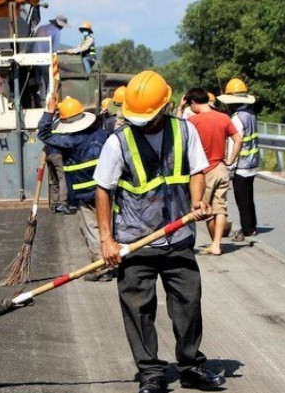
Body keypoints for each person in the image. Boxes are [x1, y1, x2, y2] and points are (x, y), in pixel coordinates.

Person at [93, 70, 225, 393]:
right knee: (138, 309)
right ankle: (151, 374)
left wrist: (196, 200)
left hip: (178, 239)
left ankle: (191, 366)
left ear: (164, 107)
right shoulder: (118, 142)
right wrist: (107, 240)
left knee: (189, 302)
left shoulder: (184, 132)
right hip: (136, 242)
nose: (141, 123)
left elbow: (197, 170)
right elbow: (103, 189)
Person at [38, 96, 114, 280]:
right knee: (109, 226)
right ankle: (113, 262)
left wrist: (49, 111)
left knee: (92, 229)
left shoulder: (69, 141)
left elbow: (43, 134)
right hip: (107, 189)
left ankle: (102, 269)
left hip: (85, 194)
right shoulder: (101, 135)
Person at [185, 87, 242, 255]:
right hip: (221, 168)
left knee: (201, 209)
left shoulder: (192, 122)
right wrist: (230, 160)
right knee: (220, 208)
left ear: (194, 103)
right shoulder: (224, 118)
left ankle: (191, 244)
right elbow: (238, 140)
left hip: (203, 172)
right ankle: (216, 245)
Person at [218, 78, 259, 242]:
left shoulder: (236, 118)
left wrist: (230, 165)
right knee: (249, 197)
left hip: (242, 165)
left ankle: (247, 229)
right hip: (253, 163)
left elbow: (237, 142)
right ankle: (252, 226)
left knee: (242, 200)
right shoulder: (251, 114)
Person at [30, 15, 69, 106]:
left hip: (33, 59)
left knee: (38, 83)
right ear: (61, 25)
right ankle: (47, 104)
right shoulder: (57, 31)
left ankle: (38, 102)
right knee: (49, 83)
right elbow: (54, 48)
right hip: (45, 59)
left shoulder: (41, 28)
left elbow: (32, 43)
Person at [45, 144, 71, 214]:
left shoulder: (48, 133)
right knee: (62, 178)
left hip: (48, 154)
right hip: (57, 154)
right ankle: (63, 203)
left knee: (53, 180)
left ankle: (54, 204)